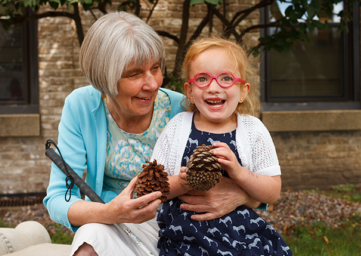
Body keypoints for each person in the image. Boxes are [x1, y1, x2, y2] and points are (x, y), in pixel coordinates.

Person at [43, 12, 264, 256]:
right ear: (105, 77)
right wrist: (110, 212)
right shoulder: (81, 106)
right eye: (134, 74)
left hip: (186, 227)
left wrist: (242, 197)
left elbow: (256, 180)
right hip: (120, 225)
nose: (152, 83)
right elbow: (57, 200)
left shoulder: (185, 108)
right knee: (90, 239)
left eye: (155, 68)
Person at [150, 37, 292, 256]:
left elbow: (272, 192)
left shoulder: (253, 130)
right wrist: (181, 183)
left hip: (242, 239)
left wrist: (240, 173)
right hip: (186, 239)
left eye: (226, 78)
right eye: (203, 78)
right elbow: (152, 186)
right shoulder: (178, 126)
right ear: (189, 91)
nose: (214, 88)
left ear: (243, 91)